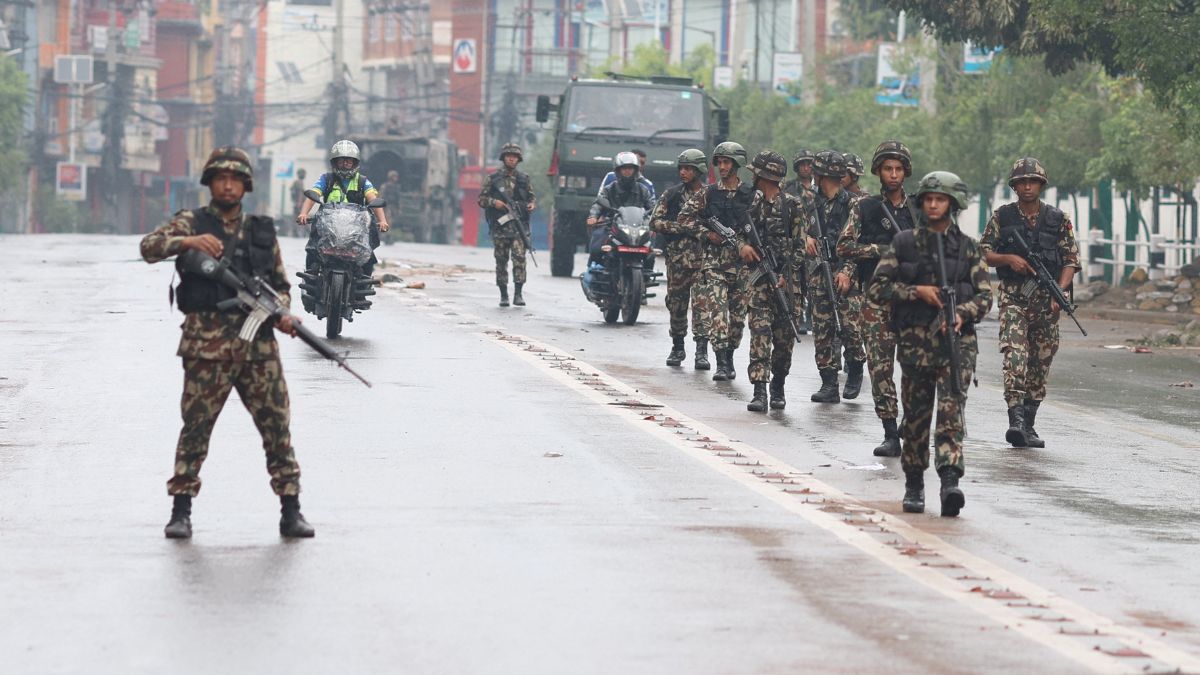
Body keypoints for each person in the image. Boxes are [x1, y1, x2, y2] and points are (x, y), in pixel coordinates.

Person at [139, 147, 315, 539]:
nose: (229, 185)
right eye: (221, 178)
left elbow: (281, 287)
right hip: (206, 347)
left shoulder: (262, 232)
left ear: (246, 186)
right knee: (196, 428)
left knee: (276, 427)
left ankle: (291, 510)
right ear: (210, 183)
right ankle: (180, 512)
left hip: (258, 349)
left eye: (236, 179)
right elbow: (149, 247)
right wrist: (188, 243)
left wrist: (283, 313)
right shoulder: (191, 222)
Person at [867, 171, 992, 517]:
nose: (933, 204)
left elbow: (985, 296)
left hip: (956, 345)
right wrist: (914, 292)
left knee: (951, 415)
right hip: (915, 344)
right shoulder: (904, 244)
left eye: (940, 199)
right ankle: (914, 484)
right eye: (928, 199)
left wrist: (963, 313)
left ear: (952, 205)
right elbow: (877, 289)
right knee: (917, 418)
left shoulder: (968, 249)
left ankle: (950, 481)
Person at [979, 157, 1081, 449]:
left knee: (1040, 360)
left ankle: (1030, 423)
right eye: (1021, 181)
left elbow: (1071, 260)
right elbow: (984, 252)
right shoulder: (1002, 217)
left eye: (1032, 181)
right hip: (1013, 296)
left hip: (1046, 300)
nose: (1027, 186)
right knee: (1015, 356)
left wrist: (1059, 293)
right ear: (1014, 186)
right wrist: (1007, 258)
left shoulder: (1058, 219)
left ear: (1041, 185)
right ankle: (1016, 421)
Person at [837, 140, 920, 456]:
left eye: (899, 169)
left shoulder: (919, 209)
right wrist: (880, 250)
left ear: (906, 172)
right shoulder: (865, 207)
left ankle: (908, 422)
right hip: (877, 299)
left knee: (914, 369)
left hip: (913, 301)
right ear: (878, 172)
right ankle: (889, 432)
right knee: (881, 368)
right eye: (888, 169)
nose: (894, 174)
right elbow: (844, 246)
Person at [736, 151, 810, 411]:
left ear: (764, 175)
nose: (752, 176)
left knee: (784, 341)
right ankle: (759, 390)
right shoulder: (750, 203)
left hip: (787, 284)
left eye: (755, 172)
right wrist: (742, 246)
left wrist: (785, 274)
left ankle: (778, 383)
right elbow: (738, 233)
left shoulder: (793, 205)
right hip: (758, 282)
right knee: (759, 334)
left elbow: (801, 246)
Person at [677, 141, 753, 382]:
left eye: (726, 162)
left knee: (738, 319)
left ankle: (729, 356)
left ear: (737, 164)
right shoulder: (707, 193)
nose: (722, 166)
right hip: (714, 263)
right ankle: (720, 361)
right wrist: (706, 234)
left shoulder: (751, 195)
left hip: (742, 267)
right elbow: (684, 219)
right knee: (718, 313)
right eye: (719, 162)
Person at [805, 151, 866, 403]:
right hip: (820, 275)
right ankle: (829, 383)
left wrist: (847, 271)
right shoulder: (810, 203)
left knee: (850, 329)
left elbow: (860, 243)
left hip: (846, 275)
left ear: (821, 176)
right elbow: (796, 229)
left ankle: (855, 367)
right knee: (823, 331)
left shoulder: (853, 205)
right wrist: (805, 238)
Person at [649, 149, 708, 368]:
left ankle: (702, 351)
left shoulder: (710, 195)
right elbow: (655, 222)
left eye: (688, 168)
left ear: (699, 170)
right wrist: (680, 227)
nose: (683, 172)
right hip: (677, 261)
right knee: (676, 304)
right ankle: (678, 346)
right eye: (681, 168)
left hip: (704, 260)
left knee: (703, 306)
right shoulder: (672, 195)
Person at [297, 140, 390, 275]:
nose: (345, 165)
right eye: (341, 161)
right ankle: (311, 280)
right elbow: (313, 195)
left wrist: (382, 221)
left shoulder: (363, 182)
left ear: (355, 163)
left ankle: (364, 283)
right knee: (313, 249)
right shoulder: (326, 179)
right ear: (335, 163)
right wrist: (303, 213)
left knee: (368, 255)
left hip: (356, 229)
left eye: (348, 161)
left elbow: (373, 199)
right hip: (328, 226)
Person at [479, 142, 537, 307]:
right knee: (501, 260)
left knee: (519, 259)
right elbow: (481, 200)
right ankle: (503, 294)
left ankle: (518, 294)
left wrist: (532, 205)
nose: (512, 159)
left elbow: (531, 198)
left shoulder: (524, 179)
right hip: (500, 228)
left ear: (518, 159)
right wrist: (493, 202)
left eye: (515, 157)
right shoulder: (493, 179)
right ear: (503, 158)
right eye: (509, 156)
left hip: (519, 228)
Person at [587, 151, 655, 263]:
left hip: (638, 228)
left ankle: (647, 274)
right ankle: (594, 269)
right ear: (618, 170)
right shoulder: (609, 189)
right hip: (612, 227)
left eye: (630, 168)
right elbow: (598, 203)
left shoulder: (643, 189)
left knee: (651, 250)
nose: (627, 171)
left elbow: (652, 206)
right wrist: (593, 216)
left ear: (635, 170)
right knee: (596, 246)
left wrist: (657, 218)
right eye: (624, 168)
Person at [382, 169, 405, 243]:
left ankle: (389, 236)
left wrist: (399, 208)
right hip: (387, 206)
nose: (396, 178)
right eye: (395, 177)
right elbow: (383, 196)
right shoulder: (385, 186)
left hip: (394, 206)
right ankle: (387, 236)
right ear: (391, 177)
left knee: (392, 222)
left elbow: (398, 198)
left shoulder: (397, 187)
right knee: (389, 221)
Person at [289, 168, 308, 237]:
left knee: (296, 218)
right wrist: (299, 203)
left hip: (296, 203)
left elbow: (292, 191)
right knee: (301, 217)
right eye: (304, 174)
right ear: (301, 174)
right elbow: (300, 193)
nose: (305, 175)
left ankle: (296, 232)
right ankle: (302, 232)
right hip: (299, 204)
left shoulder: (296, 182)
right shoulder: (299, 182)